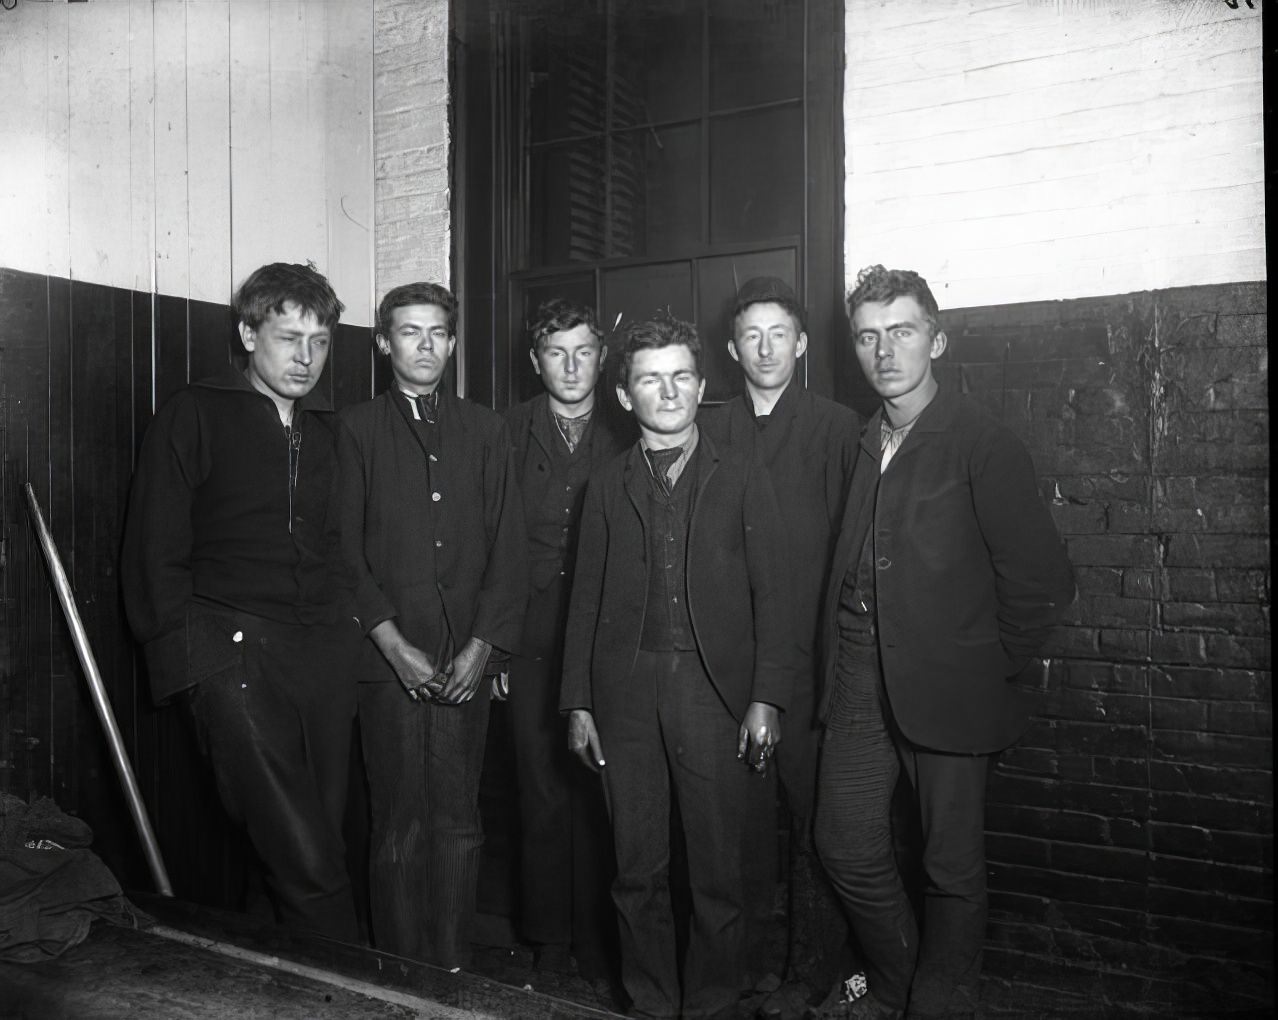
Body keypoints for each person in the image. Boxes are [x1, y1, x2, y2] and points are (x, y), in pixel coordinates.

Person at [813, 266, 1075, 1020]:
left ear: (937, 338)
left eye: (901, 331)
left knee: (950, 868)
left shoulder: (981, 442)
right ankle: (894, 984)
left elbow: (1041, 584)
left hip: (953, 687)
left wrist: (984, 670)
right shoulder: (865, 440)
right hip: (860, 676)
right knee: (844, 842)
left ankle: (940, 1004)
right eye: (867, 335)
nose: (883, 351)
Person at [560, 314, 799, 1020]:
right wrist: (577, 701)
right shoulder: (605, 486)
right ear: (625, 396)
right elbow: (585, 600)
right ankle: (652, 1003)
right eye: (649, 379)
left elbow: (775, 596)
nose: (667, 391)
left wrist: (767, 698)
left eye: (681, 377)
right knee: (637, 870)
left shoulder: (743, 473)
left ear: (701, 386)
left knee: (720, 872)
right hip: (625, 694)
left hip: (713, 691)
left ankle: (713, 1005)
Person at [122, 261, 360, 940]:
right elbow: (153, 552)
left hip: (321, 658)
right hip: (232, 655)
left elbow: (342, 551)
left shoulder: (328, 432)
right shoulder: (194, 411)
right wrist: (193, 668)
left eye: (318, 342)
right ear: (249, 332)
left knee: (295, 856)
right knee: (311, 866)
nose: (305, 358)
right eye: (289, 338)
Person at [337, 282, 527, 970]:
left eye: (437, 332)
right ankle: (399, 974)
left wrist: (483, 648)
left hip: (464, 664)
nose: (425, 345)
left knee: (458, 823)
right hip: (388, 666)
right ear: (384, 343)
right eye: (409, 332)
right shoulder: (355, 429)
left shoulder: (487, 430)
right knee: (398, 826)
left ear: (452, 341)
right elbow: (344, 554)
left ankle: (451, 972)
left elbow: (510, 550)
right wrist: (391, 645)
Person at [700, 277, 859, 1018]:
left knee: (814, 826)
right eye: (750, 336)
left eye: (779, 334)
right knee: (737, 827)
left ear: (800, 343)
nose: (765, 348)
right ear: (733, 351)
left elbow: (847, 558)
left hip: (810, 663)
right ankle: (746, 963)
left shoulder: (836, 428)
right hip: (729, 664)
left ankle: (810, 972)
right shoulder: (710, 429)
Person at [504, 299, 629, 980]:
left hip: (609, 632)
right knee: (540, 785)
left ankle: (599, 935)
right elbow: (491, 542)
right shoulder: (508, 430)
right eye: (557, 352)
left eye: (584, 351)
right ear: (536, 361)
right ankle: (549, 937)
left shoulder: (627, 421)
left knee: (603, 785)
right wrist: (494, 643)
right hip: (528, 635)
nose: (572, 365)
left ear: (602, 356)